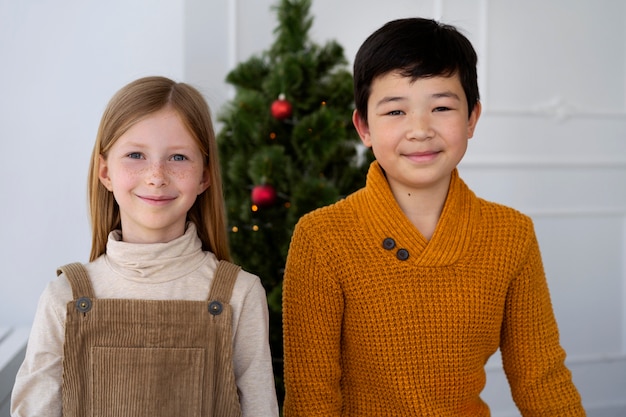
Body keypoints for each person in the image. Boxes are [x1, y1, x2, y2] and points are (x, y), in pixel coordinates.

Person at [282, 18, 585, 416]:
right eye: (395, 111)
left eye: (441, 107)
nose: (420, 130)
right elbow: (311, 397)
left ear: (472, 118)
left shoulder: (511, 234)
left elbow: (541, 378)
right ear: (363, 126)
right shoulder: (322, 237)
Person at [11, 76, 279, 417]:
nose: (156, 175)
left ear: (204, 176)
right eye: (136, 155)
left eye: (178, 157)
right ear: (105, 172)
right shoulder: (63, 297)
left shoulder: (239, 294)